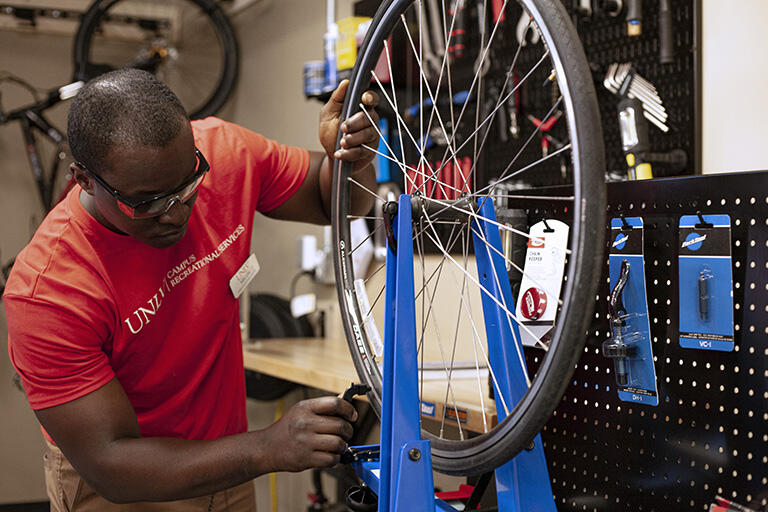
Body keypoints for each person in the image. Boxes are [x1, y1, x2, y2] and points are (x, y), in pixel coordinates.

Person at [3, 68, 380, 511]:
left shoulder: (225, 150)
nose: (175, 212)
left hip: (229, 464)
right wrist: (266, 448)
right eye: (146, 202)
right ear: (83, 179)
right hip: (126, 487)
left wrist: (352, 160)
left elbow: (329, 200)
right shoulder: (49, 290)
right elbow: (111, 462)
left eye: (188, 183)